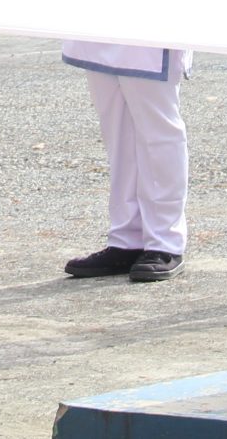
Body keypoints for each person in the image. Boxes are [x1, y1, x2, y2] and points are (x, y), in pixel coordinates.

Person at [59, 37, 189, 285]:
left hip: (148, 19)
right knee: (117, 130)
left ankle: (165, 241)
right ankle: (127, 239)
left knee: (157, 130)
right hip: (101, 19)